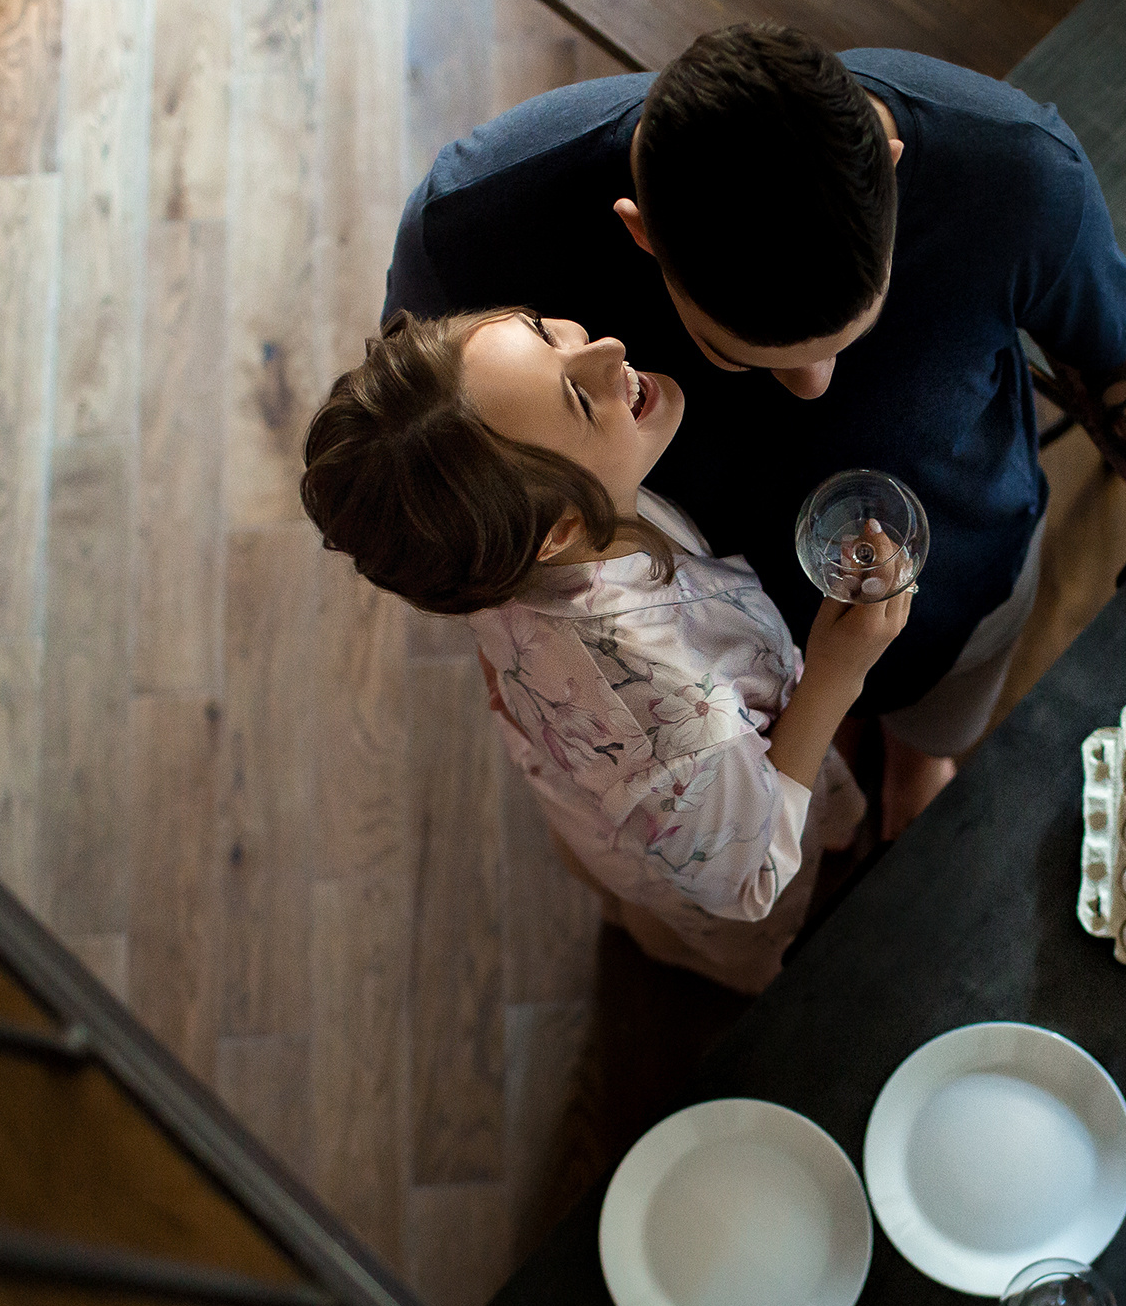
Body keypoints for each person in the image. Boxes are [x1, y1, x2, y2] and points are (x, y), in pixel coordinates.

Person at [384, 24, 1126, 837]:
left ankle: (916, 769)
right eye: (740, 353)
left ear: (892, 159)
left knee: (943, 708)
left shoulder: (1014, 170)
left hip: (961, 572)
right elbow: (440, 466)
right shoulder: (472, 230)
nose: (813, 387)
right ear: (643, 234)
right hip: (700, 659)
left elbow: (1114, 354)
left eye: (847, 338)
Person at [300, 308, 909, 994]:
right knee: (739, 941)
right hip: (715, 836)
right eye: (580, 398)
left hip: (613, 792)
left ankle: (631, 912)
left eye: (541, 329)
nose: (608, 345)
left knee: (626, 876)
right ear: (559, 530)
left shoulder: (492, 556)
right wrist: (837, 673)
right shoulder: (672, 716)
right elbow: (748, 873)